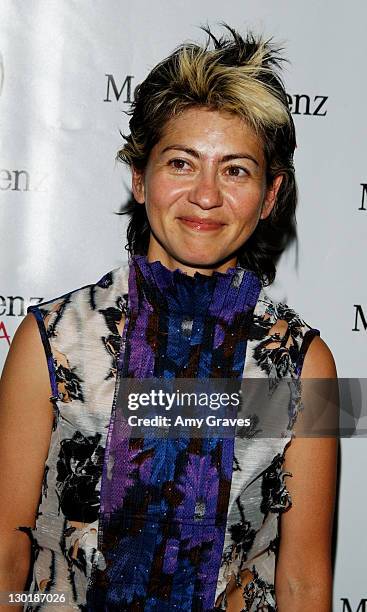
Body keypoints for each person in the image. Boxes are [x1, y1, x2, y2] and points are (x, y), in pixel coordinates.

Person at [0, 24, 338, 612]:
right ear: (139, 176)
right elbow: (7, 549)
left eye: (235, 170)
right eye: (182, 163)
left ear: (269, 195)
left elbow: (305, 579)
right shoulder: (48, 340)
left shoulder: (308, 364)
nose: (205, 195)